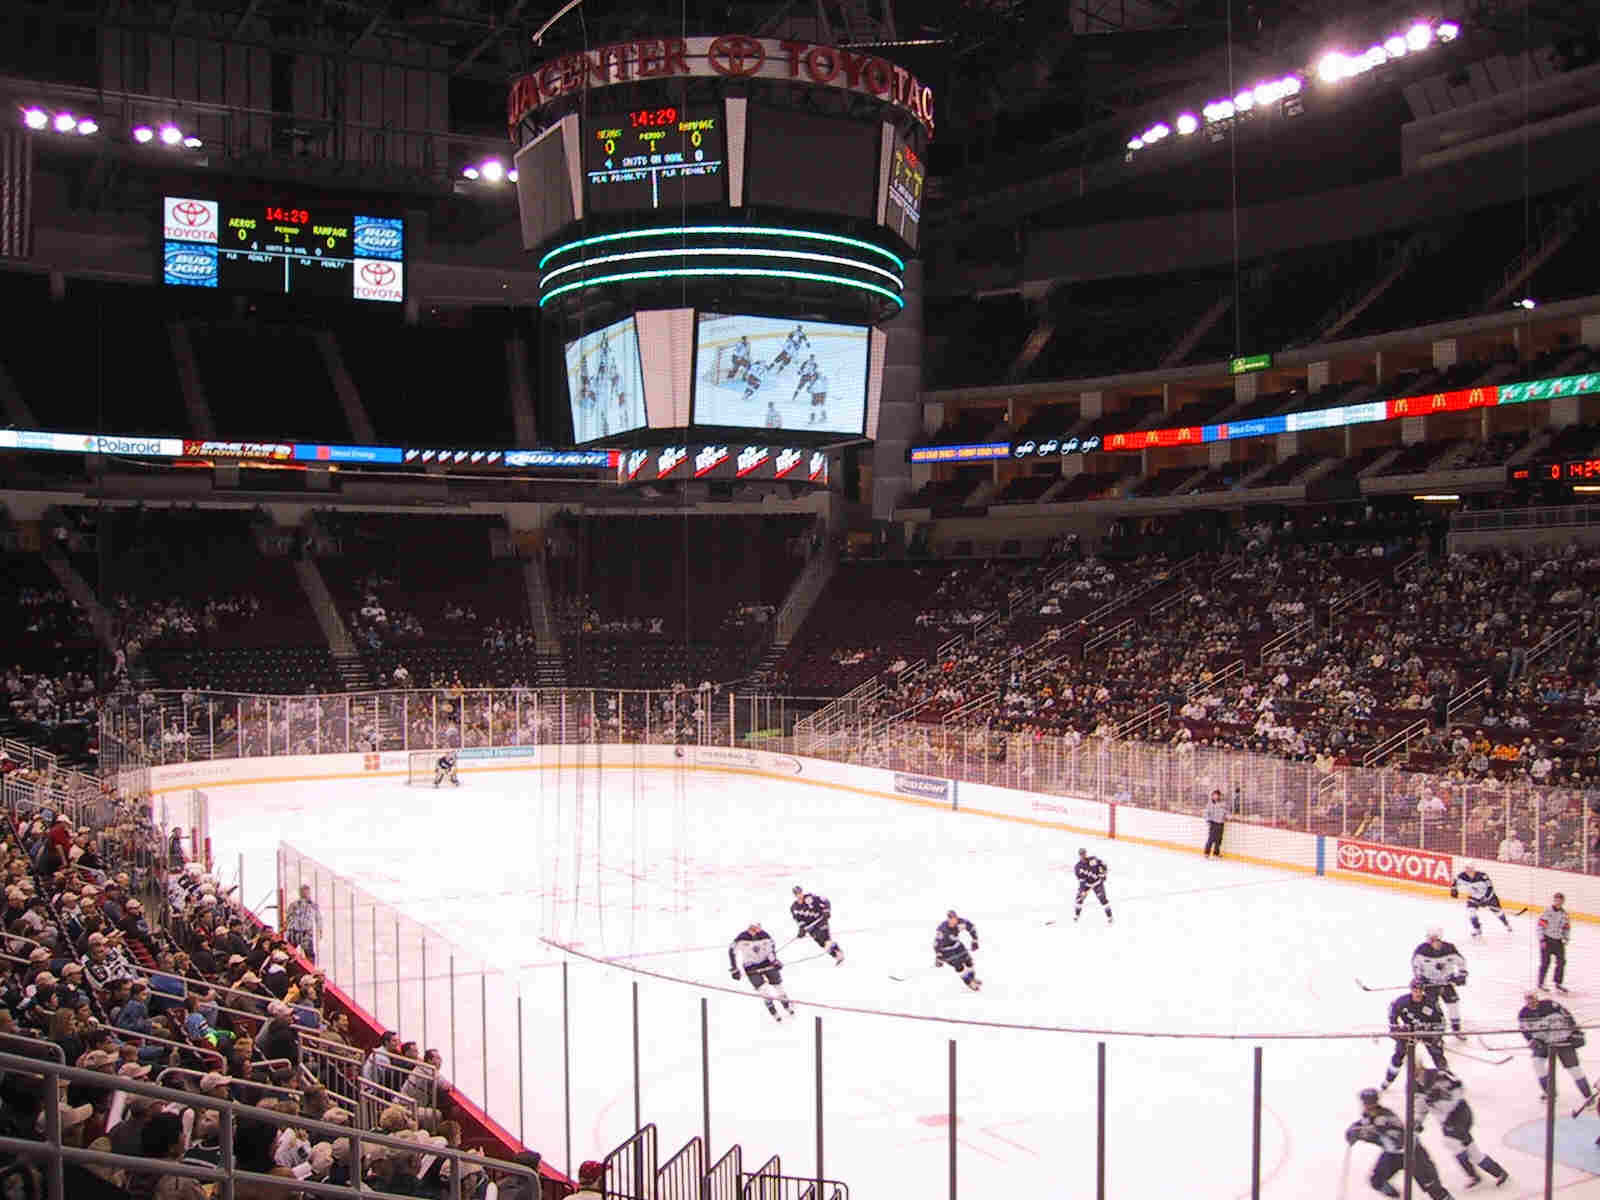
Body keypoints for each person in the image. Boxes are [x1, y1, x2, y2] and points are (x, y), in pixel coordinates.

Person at [1345, 1087, 1455, 1200]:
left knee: (1432, 1187)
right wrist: (1353, 1131)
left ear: (1376, 1102)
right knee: (1377, 1181)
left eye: (1370, 1103)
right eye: (1365, 1103)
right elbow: (1362, 1125)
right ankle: (1395, 1197)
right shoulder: (1369, 1116)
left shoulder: (1388, 1118)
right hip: (1393, 1155)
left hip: (1413, 1154)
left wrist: (1368, 1135)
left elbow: (1399, 1142)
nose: (1367, 1106)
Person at [1414, 1067, 1510, 1188]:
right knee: (1472, 1152)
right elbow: (1421, 1109)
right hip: (1447, 1122)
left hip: (1460, 1114)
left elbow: (1460, 1088)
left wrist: (1445, 1098)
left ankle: (1474, 1175)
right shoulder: (1416, 1088)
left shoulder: (1440, 1075)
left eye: (1417, 1072)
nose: (1417, 1077)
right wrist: (1417, 1122)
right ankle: (1498, 1172)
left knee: (1451, 1143)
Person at [1517, 988, 1593, 1105]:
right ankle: (1550, 1093)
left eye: (1533, 998)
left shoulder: (1551, 1005)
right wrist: (1531, 1040)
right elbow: (1525, 1031)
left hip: (1563, 1041)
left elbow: (1568, 1016)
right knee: (1537, 1063)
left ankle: (1588, 1096)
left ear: (1537, 998)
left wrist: (1575, 1031)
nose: (1531, 1001)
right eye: (1528, 999)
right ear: (1525, 1000)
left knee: (1574, 1070)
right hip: (1543, 1042)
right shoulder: (1523, 1014)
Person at [1383, 980, 1449, 1089]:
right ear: (1411, 990)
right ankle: (1388, 1080)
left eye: (1420, 990)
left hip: (1427, 1031)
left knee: (1437, 1053)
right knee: (1399, 1054)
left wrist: (1437, 1036)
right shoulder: (1401, 1001)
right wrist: (1395, 1029)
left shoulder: (1431, 1002)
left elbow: (1441, 1022)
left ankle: (1445, 1077)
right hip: (1409, 1031)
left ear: (1423, 990)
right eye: (1415, 990)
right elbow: (1392, 1014)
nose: (1418, 993)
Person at [728, 923, 794, 1023]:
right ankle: (773, 1010)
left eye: (757, 928)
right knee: (764, 990)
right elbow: (731, 950)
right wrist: (734, 968)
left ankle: (786, 1005)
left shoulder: (765, 936)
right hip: (750, 966)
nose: (754, 931)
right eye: (752, 928)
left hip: (765, 962)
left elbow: (770, 951)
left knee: (778, 986)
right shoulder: (741, 937)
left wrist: (774, 961)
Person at [1411, 928, 1468, 1041]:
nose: (1434, 942)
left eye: (1436, 939)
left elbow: (1461, 962)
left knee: (1454, 1004)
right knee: (1431, 1008)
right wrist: (1419, 978)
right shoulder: (1421, 950)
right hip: (1430, 984)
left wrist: (1462, 975)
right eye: (1431, 940)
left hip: (1447, 983)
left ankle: (1456, 1029)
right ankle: (1432, 1031)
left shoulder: (1449, 948)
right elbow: (1416, 965)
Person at [1449, 862, 1512, 938]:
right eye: (1466, 868)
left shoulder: (1483, 876)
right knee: (1471, 912)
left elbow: (1490, 888)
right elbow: (1454, 882)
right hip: (1473, 898)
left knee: (1498, 912)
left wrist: (1485, 898)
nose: (1468, 870)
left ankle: (1506, 924)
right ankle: (1477, 928)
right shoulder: (1461, 876)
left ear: (1473, 869)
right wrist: (1453, 889)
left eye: (1469, 868)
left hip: (1489, 897)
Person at [790, 886, 843, 964]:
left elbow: (825, 901)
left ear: (802, 892)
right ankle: (836, 956)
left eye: (800, 893)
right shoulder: (794, 907)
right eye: (797, 894)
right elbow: (798, 920)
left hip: (821, 921)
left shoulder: (810, 898)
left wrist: (826, 910)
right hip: (811, 928)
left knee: (824, 938)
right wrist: (801, 929)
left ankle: (839, 952)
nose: (799, 895)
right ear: (794, 895)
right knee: (822, 943)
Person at [933, 910, 981, 992]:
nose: (953, 921)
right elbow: (936, 943)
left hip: (956, 945)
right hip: (945, 950)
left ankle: (972, 978)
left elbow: (972, 928)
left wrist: (975, 941)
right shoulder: (942, 929)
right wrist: (938, 956)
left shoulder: (961, 922)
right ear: (948, 919)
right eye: (951, 919)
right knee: (959, 966)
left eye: (955, 918)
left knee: (969, 961)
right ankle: (969, 982)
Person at [1537, 893, 1570, 993]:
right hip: (1547, 940)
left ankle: (1558, 983)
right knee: (1545, 962)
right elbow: (1540, 926)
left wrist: (1566, 938)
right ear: (1554, 900)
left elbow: (1566, 927)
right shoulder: (1548, 912)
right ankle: (1541, 983)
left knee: (1561, 962)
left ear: (1563, 901)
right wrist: (1542, 939)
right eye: (1556, 900)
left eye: (1560, 900)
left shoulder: (1564, 914)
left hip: (1558, 941)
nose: (1558, 902)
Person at [1073, 848, 1113, 924]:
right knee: (1079, 899)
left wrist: (1103, 874)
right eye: (1081, 854)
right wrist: (1082, 891)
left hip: (1097, 883)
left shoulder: (1093, 860)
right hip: (1086, 884)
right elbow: (1081, 881)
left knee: (1102, 899)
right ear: (1079, 855)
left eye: (1084, 853)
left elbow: (1103, 865)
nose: (1083, 855)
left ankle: (1110, 917)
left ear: (1086, 853)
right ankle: (1076, 916)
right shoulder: (1077, 867)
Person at [284, 885, 321, 963]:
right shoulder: (294, 904)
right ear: (300, 892)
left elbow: (318, 918)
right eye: (303, 891)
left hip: (306, 932)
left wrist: (319, 929)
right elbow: (288, 916)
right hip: (294, 931)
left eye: (307, 891)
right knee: (288, 950)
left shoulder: (313, 905)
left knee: (309, 953)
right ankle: (286, 964)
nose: (305, 893)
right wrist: (287, 927)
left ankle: (311, 970)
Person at [1202, 789, 1228, 858]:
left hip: (1221, 823)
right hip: (1213, 823)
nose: (1215, 797)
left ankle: (1216, 853)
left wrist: (1226, 817)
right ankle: (1207, 852)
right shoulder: (1210, 804)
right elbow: (1205, 813)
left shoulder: (1223, 803)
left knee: (1219, 839)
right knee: (1211, 838)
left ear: (1219, 796)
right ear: (1212, 796)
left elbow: (1226, 812)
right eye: (1214, 795)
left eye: (1217, 795)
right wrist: (1208, 820)